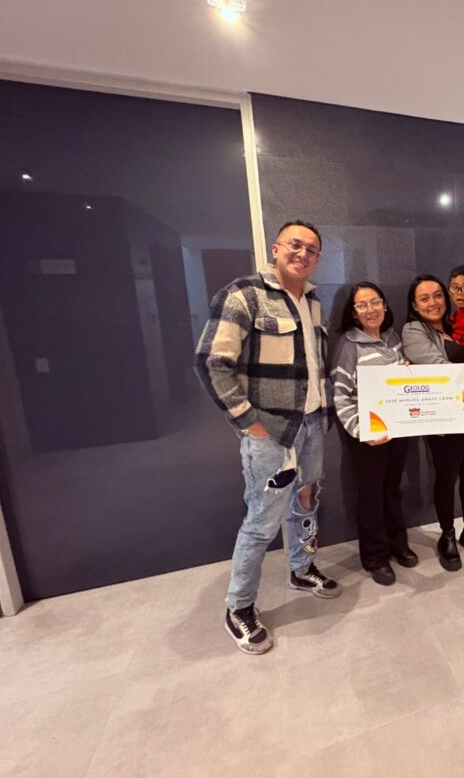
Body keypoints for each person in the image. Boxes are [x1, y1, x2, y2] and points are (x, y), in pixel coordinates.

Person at [195, 220, 342, 656]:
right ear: (276, 249)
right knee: (261, 520)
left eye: (312, 249)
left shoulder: (312, 301)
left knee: (306, 501)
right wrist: (247, 422)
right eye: (295, 244)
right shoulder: (244, 295)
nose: (303, 253)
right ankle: (239, 606)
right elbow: (211, 362)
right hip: (271, 433)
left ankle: (301, 568)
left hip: (312, 425)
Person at [402, 274, 464, 570]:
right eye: (424, 298)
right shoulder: (413, 330)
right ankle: (447, 534)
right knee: (446, 478)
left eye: (437, 295)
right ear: (414, 306)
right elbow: (439, 370)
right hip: (443, 418)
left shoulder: (460, 324)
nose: (433, 302)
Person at [332, 281, 419, 586]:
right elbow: (340, 395)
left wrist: (406, 369)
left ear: (384, 305)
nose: (370, 310)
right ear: (354, 312)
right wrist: (361, 432)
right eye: (362, 305)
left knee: (392, 489)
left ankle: (397, 544)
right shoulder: (348, 345)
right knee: (370, 496)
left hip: (397, 431)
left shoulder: (393, 338)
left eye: (375, 302)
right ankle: (375, 557)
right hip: (367, 437)